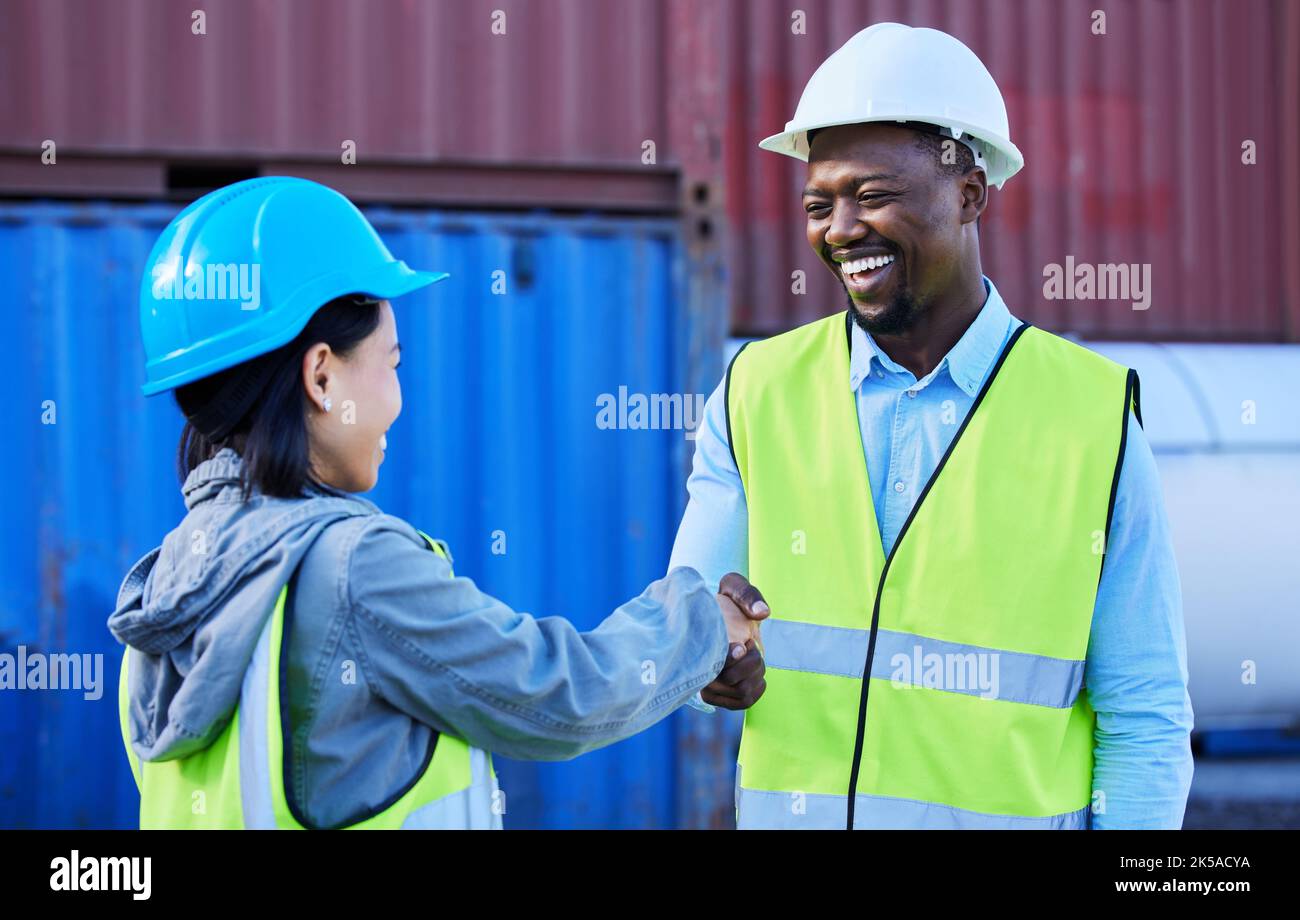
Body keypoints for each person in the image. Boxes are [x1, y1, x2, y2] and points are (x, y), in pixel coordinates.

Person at [110, 176, 768, 829]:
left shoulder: (165, 586)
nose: (398, 399)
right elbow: (556, 693)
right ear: (320, 376)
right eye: (392, 363)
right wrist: (701, 622)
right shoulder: (351, 565)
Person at [670, 23, 1194, 829]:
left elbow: (1145, 714)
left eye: (873, 195)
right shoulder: (754, 390)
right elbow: (693, 635)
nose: (840, 229)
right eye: (820, 203)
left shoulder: (1091, 416)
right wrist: (713, 662)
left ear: (969, 193)